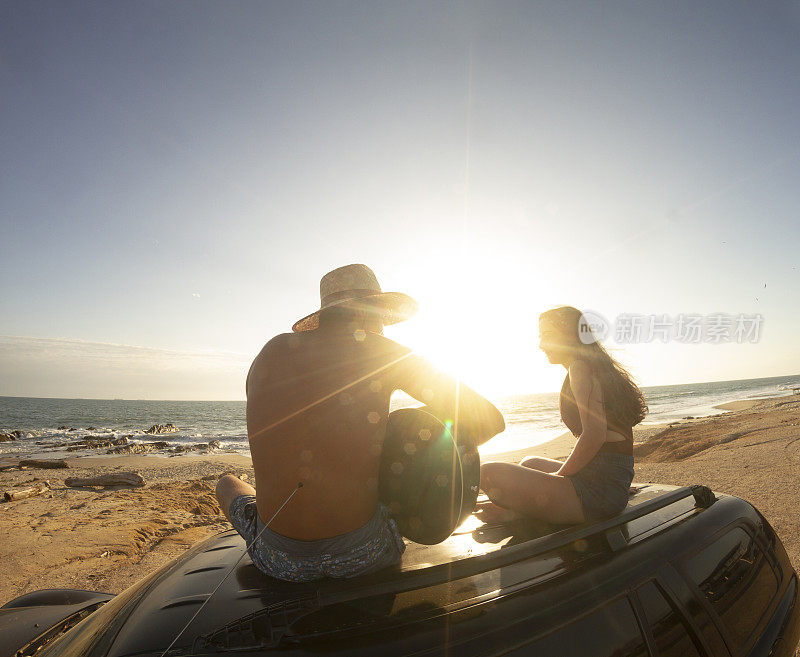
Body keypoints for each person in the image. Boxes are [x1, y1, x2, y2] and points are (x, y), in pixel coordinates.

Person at [215, 264, 504, 582]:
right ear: (371, 312)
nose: (383, 329)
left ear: (325, 315)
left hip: (277, 560)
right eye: (381, 317)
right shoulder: (383, 351)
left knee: (227, 483)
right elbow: (490, 421)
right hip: (365, 554)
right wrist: (411, 456)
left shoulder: (269, 352)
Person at [477, 306, 647, 525]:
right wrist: (618, 482)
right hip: (606, 479)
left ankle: (519, 512)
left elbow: (594, 435)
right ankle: (521, 510)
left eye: (547, 335)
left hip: (599, 490)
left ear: (569, 335)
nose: (541, 345)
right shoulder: (590, 366)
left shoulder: (580, 368)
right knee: (530, 462)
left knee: (488, 473)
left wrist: (556, 479)